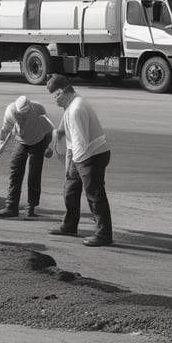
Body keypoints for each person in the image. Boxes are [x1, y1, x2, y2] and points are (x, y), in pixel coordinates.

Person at [45, 74, 113, 247]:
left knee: (94, 194)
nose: (54, 100)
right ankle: (69, 226)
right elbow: (67, 132)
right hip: (83, 155)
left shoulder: (76, 110)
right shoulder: (71, 104)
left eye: (54, 96)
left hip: (91, 156)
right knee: (70, 190)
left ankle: (104, 234)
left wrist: (75, 165)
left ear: (62, 92)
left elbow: (80, 142)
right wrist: (59, 134)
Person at [0, 95, 53, 218]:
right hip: (21, 141)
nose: (22, 117)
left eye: (25, 114)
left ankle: (31, 207)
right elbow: (4, 132)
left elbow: (49, 129)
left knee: (34, 174)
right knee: (15, 171)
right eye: (20, 115)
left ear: (30, 108)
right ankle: (11, 207)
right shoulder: (10, 112)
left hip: (39, 140)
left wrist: (47, 146)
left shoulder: (38, 109)